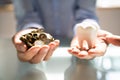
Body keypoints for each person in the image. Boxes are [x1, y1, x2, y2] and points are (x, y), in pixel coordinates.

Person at [12, 0, 120, 64]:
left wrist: (89, 30)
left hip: (76, 54)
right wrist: (30, 33)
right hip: (38, 59)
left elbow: (86, 15)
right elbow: (27, 16)